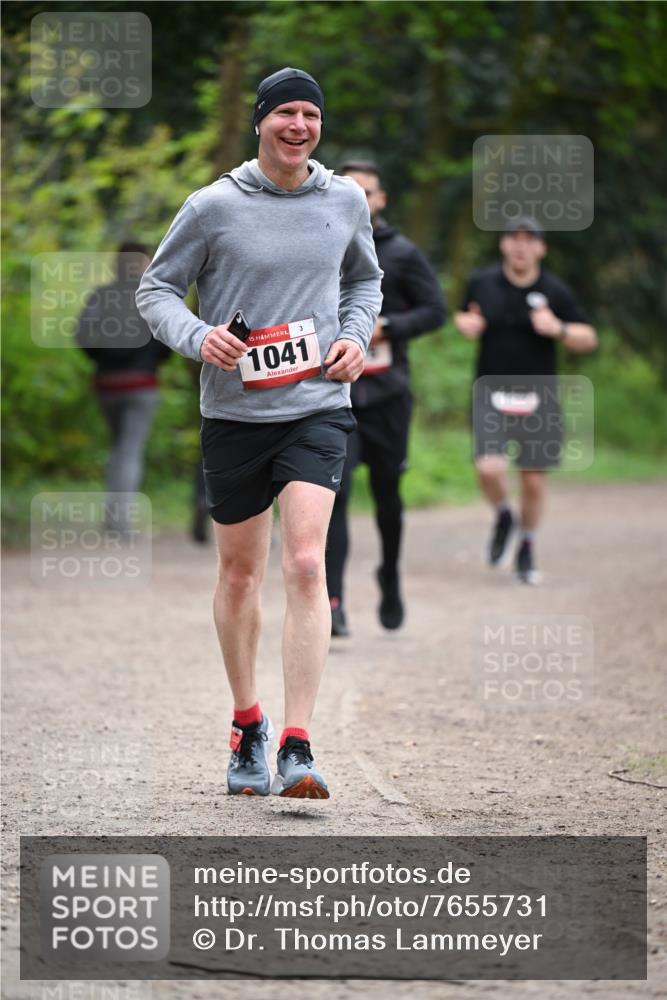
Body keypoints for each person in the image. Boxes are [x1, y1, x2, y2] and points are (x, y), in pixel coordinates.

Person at [136, 68, 382, 798]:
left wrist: (356, 335)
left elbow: (362, 282)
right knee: (240, 575)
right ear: (260, 122)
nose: (299, 126)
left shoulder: (343, 200)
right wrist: (197, 336)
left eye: (310, 114)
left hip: (317, 404)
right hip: (236, 414)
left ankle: (299, 744)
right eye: (285, 114)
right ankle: (248, 723)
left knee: (307, 564)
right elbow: (155, 289)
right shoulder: (213, 205)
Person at [325, 162, 446, 636]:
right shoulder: (322, 240)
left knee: (387, 497)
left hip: (390, 395)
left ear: (380, 200)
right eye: (347, 188)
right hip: (337, 394)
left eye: (366, 191)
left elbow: (436, 310)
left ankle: (390, 576)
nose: (356, 197)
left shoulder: (402, 253)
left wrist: (389, 326)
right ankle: (332, 600)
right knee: (332, 497)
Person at [454, 217, 597, 583]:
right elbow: (464, 315)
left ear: (540, 248)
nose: (521, 246)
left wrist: (559, 328)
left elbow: (588, 337)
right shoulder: (482, 283)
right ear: (503, 244)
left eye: (529, 240)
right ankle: (504, 515)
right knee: (488, 468)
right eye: (513, 239)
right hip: (491, 391)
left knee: (533, 481)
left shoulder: (556, 291)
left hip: (539, 394)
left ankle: (527, 546)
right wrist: (466, 325)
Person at [76, 242, 171, 532]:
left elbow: (82, 336)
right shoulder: (151, 297)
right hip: (142, 384)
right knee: (128, 451)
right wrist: (152, 359)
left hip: (107, 384)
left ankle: (112, 518)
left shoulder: (101, 295)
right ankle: (120, 523)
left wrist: (102, 358)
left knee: (119, 448)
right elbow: (167, 337)